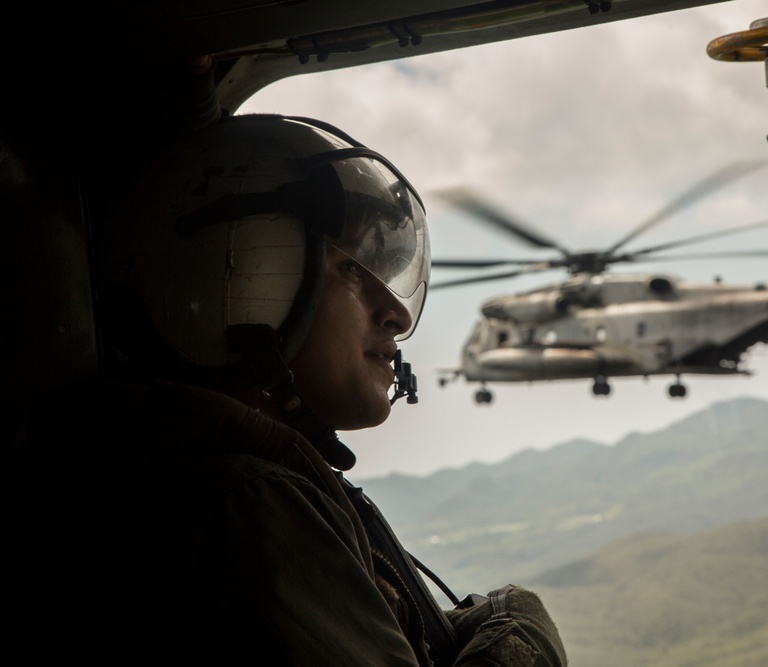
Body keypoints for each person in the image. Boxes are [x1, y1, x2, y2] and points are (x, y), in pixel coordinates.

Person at [11, 113, 566, 666]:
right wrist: (520, 628)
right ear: (244, 277)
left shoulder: (236, 484)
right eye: (354, 268)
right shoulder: (243, 507)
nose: (396, 314)